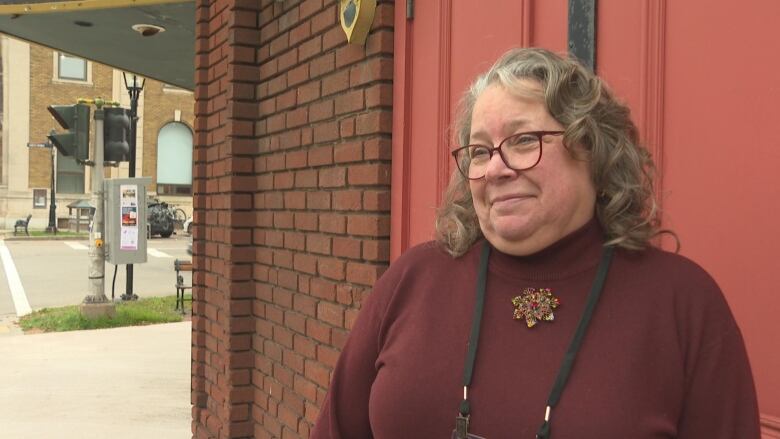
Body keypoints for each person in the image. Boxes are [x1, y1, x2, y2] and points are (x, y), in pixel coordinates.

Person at [311, 48, 759, 438]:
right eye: (480, 151)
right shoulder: (412, 280)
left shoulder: (684, 305)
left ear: (591, 148)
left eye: (524, 140)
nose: (496, 169)